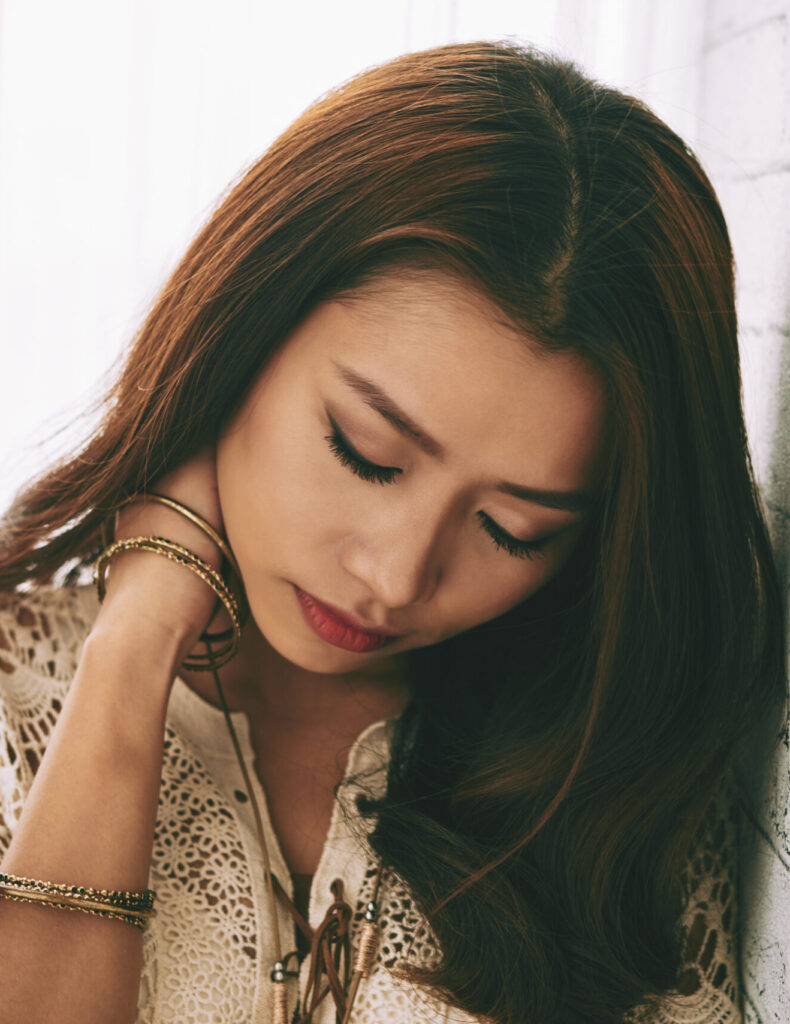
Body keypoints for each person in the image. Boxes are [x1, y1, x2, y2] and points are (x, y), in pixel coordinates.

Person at [0, 38, 784, 1024]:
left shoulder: (605, 785)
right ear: (243, 327)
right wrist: (130, 648)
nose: (397, 575)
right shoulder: (11, 687)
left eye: (512, 529)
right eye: (365, 450)